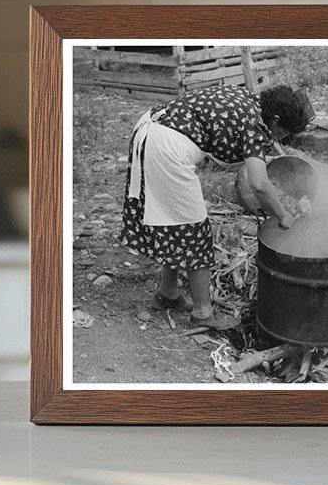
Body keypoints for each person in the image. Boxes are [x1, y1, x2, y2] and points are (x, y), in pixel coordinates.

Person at [120, 83, 312, 329]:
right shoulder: (255, 126)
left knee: (174, 221)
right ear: (275, 119)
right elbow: (260, 184)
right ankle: (202, 313)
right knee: (194, 231)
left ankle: (168, 293)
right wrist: (283, 215)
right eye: (283, 132)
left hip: (152, 131)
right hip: (166, 147)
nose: (280, 138)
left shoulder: (251, 100)